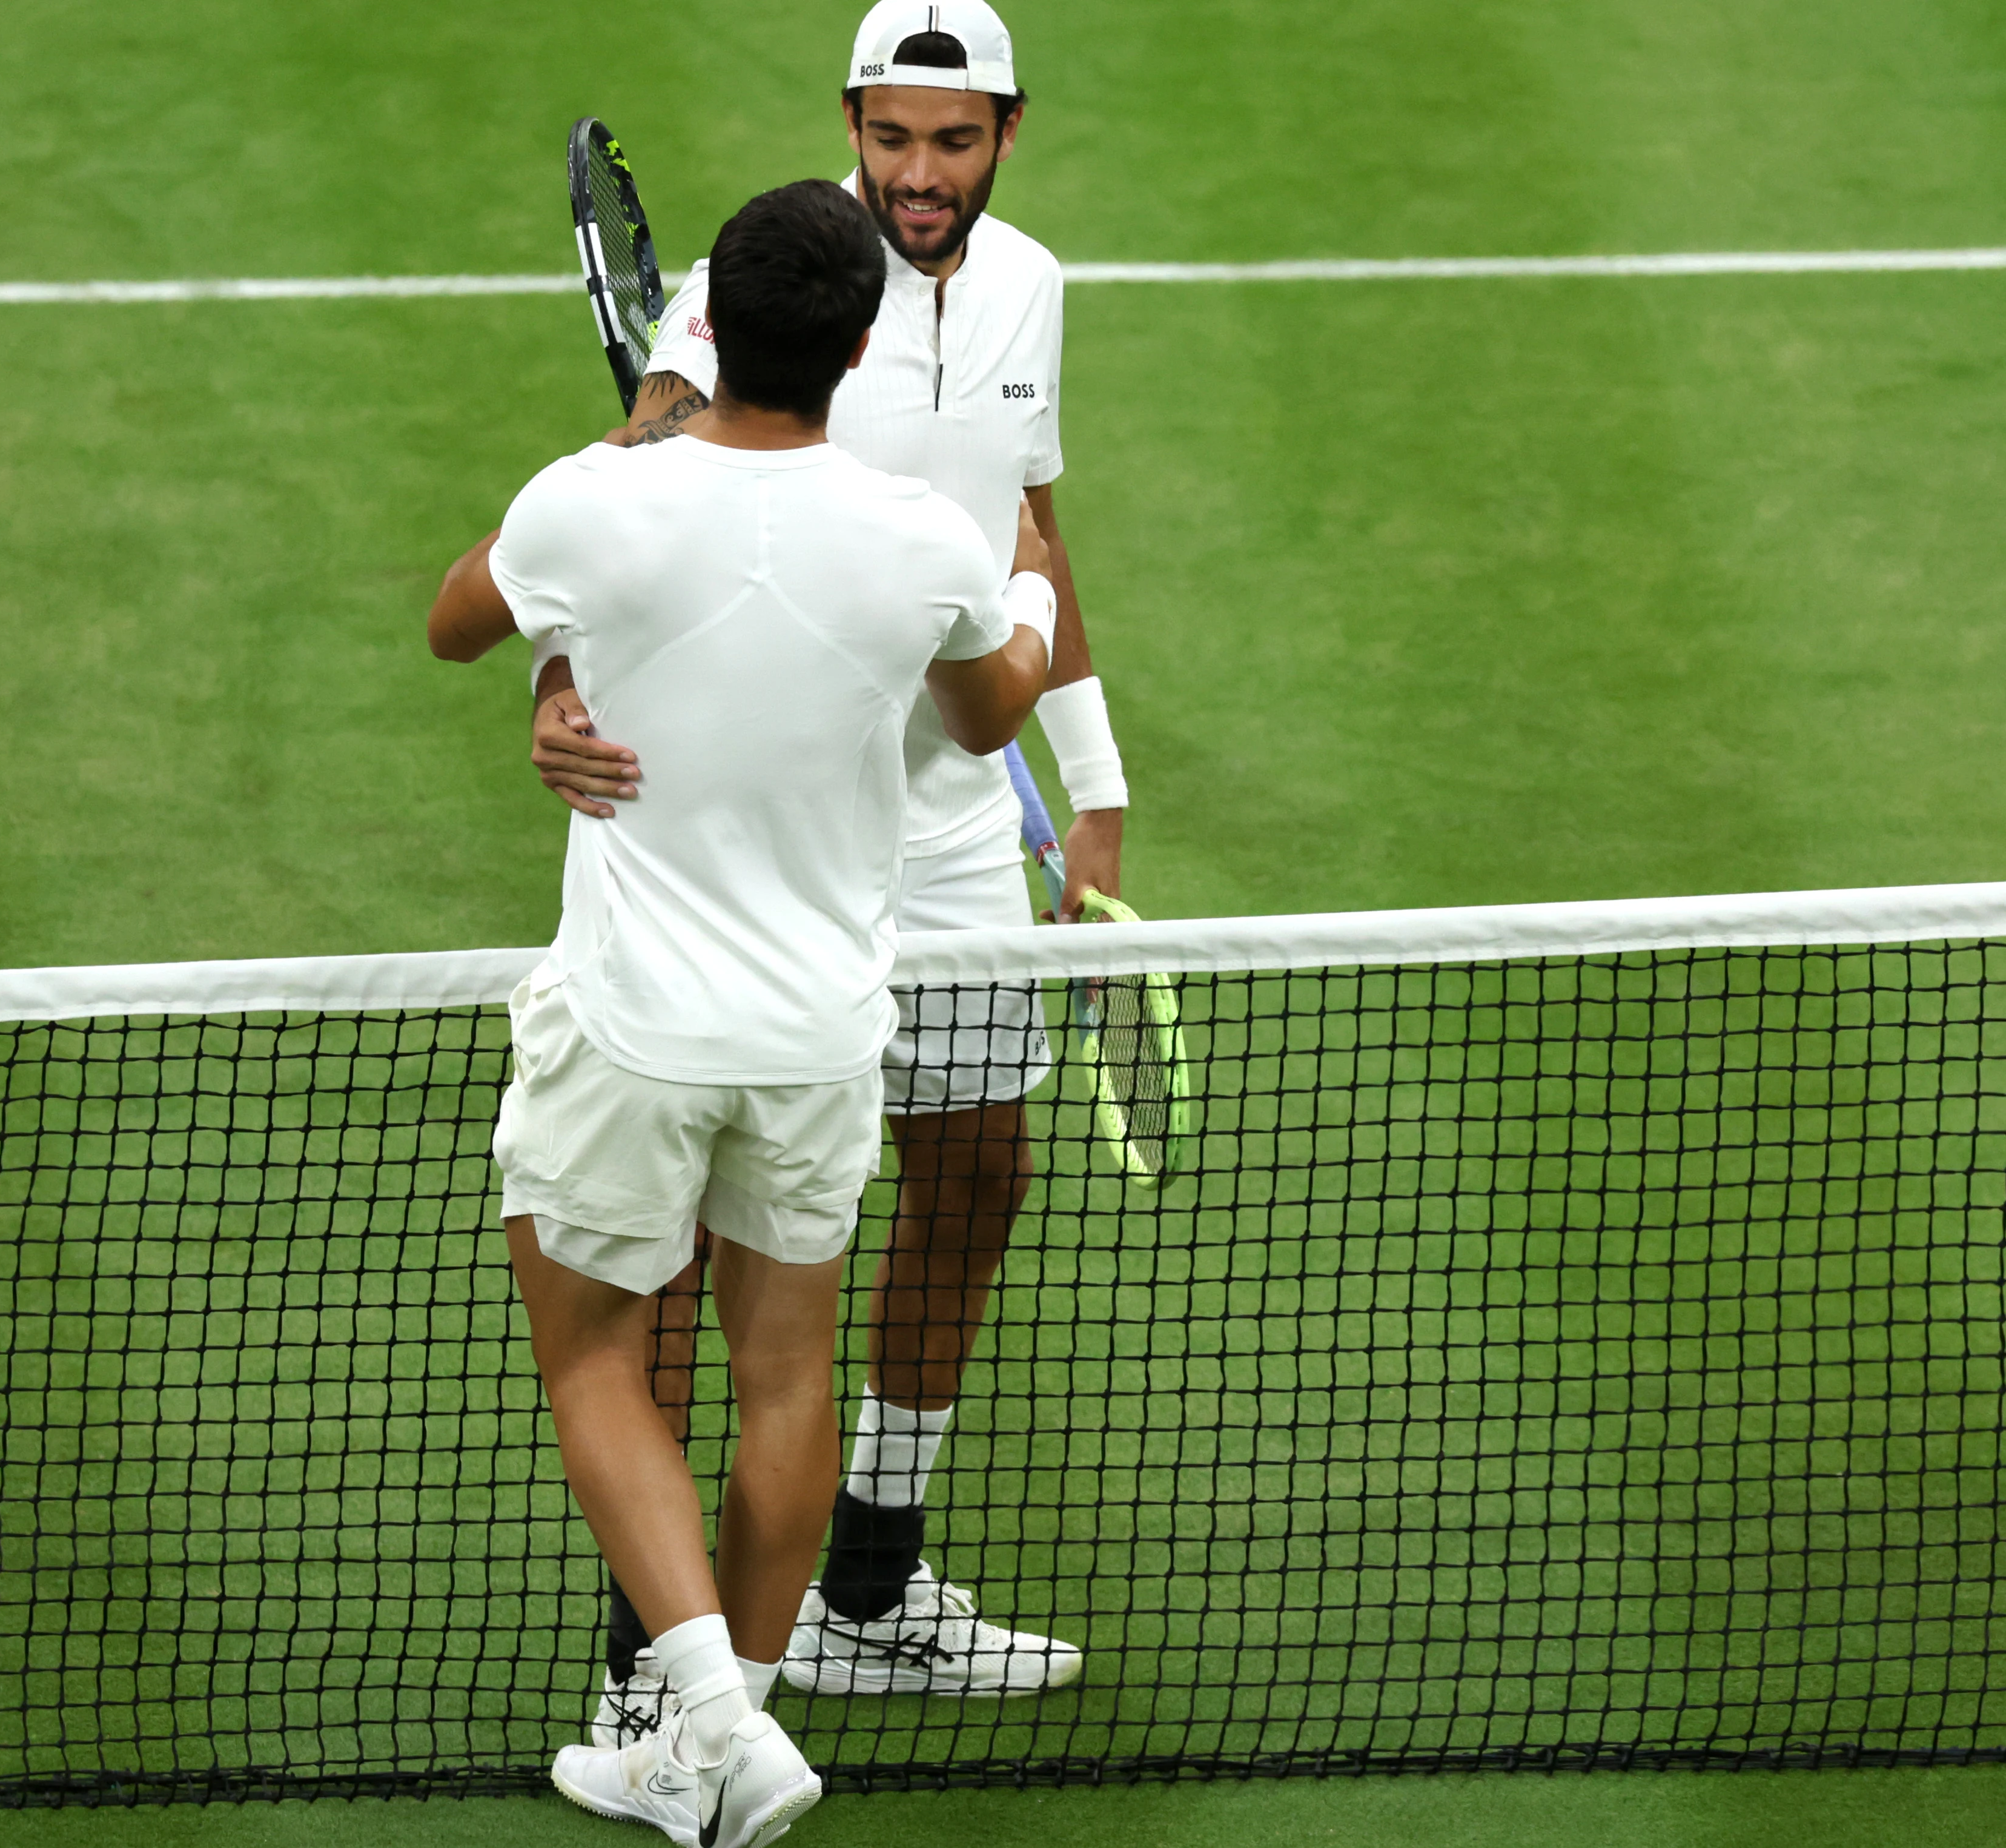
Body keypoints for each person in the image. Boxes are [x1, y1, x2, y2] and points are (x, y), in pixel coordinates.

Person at [427, 177, 1053, 1847]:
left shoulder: (586, 500)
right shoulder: (921, 540)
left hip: (632, 1029)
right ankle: (728, 1738)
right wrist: (1038, 598)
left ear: (713, 332)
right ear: (857, 346)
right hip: (819, 1038)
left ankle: (706, 1719)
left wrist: (576, 614)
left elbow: (454, 621)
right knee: (788, 1383)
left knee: (596, 1359)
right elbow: (997, 710)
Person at [531, 0, 1124, 1735]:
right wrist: (562, 690)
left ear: (1007, 134)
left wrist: (1089, 785)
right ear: (851, 125)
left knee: (981, 1168)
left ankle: (870, 1579)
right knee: (693, 1251)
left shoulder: (1033, 289)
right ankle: (657, 1663)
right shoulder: (747, 292)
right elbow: (623, 491)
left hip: (947, 831)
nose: (916, 174)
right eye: (889, 136)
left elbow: (1033, 527)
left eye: (950, 141)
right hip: (765, 834)